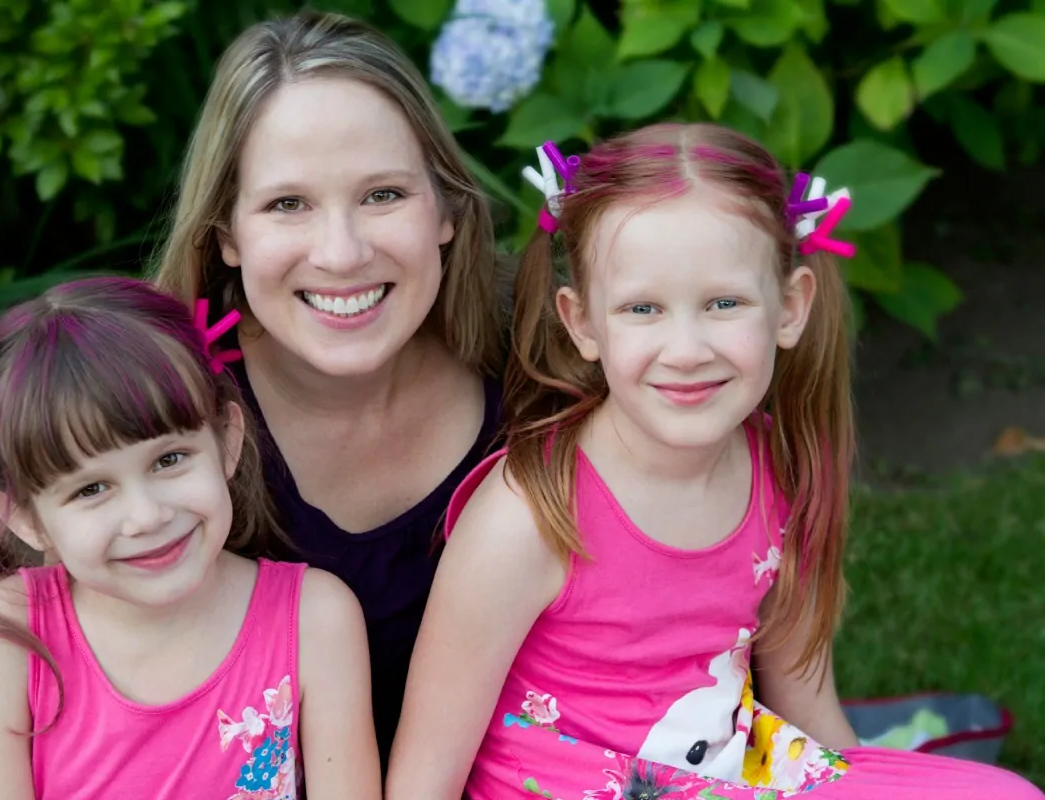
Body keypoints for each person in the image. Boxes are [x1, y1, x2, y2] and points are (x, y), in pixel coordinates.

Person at [386, 123, 1045, 799]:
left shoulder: (775, 472)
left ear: (790, 308)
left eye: (723, 303)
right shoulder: (528, 516)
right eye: (643, 308)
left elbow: (807, 712)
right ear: (583, 323)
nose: (687, 349)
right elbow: (421, 781)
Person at [151, 11, 506, 765]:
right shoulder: (155, 432)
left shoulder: (539, 374)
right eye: (288, 204)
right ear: (226, 235)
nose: (342, 252)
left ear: (444, 207)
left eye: (383, 195)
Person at [0, 277, 381, 800]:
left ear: (227, 441)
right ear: (27, 519)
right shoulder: (11, 636)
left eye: (169, 460)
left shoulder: (314, 619)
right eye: (92, 489)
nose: (145, 516)